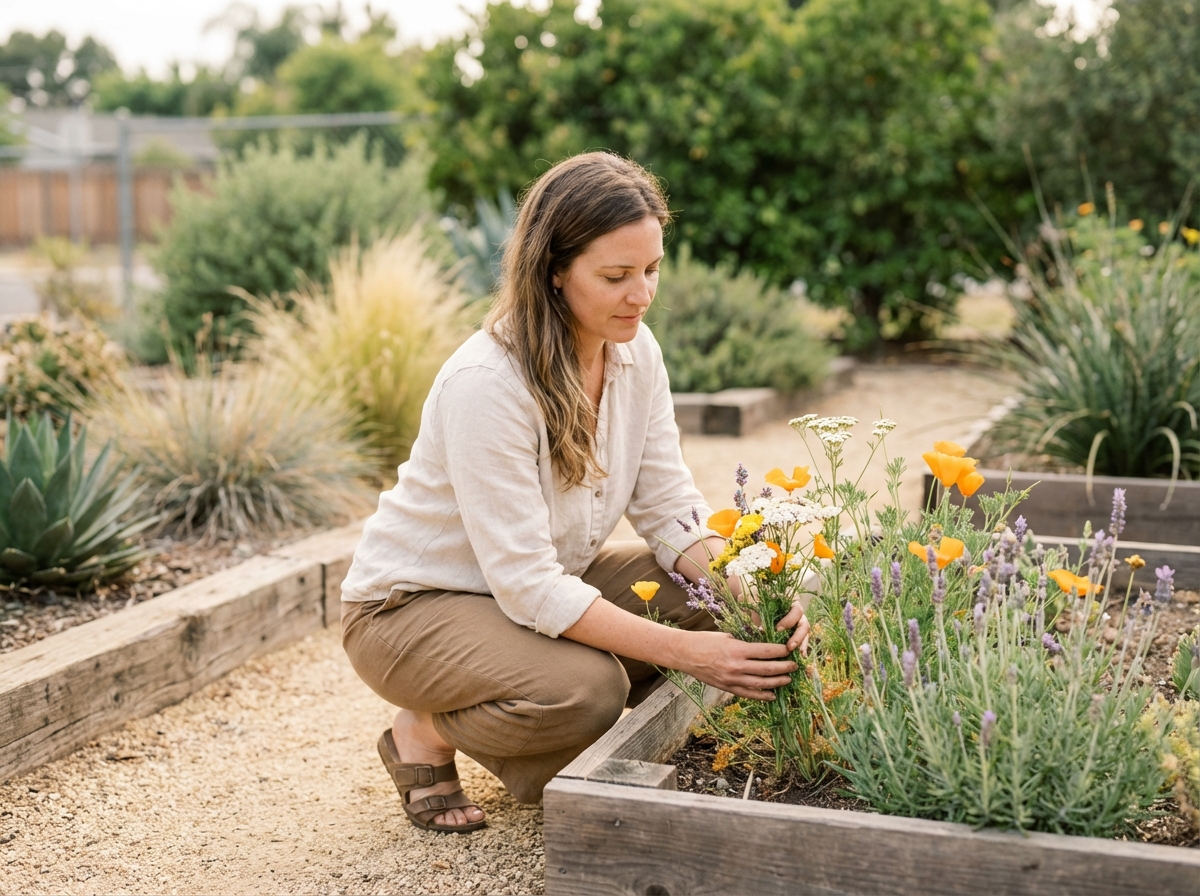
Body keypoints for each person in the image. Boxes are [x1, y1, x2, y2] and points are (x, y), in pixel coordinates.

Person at [340, 152, 809, 833]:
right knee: (588, 691)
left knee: (714, 604)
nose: (641, 295)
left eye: (651, 270)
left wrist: (743, 583)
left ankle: (536, 703)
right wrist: (687, 654)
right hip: (411, 608)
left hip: (525, 589)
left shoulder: (635, 350)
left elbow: (669, 507)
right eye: (616, 276)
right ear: (554, 272)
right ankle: (427, 730)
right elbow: (528, 584)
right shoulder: (487, 384)